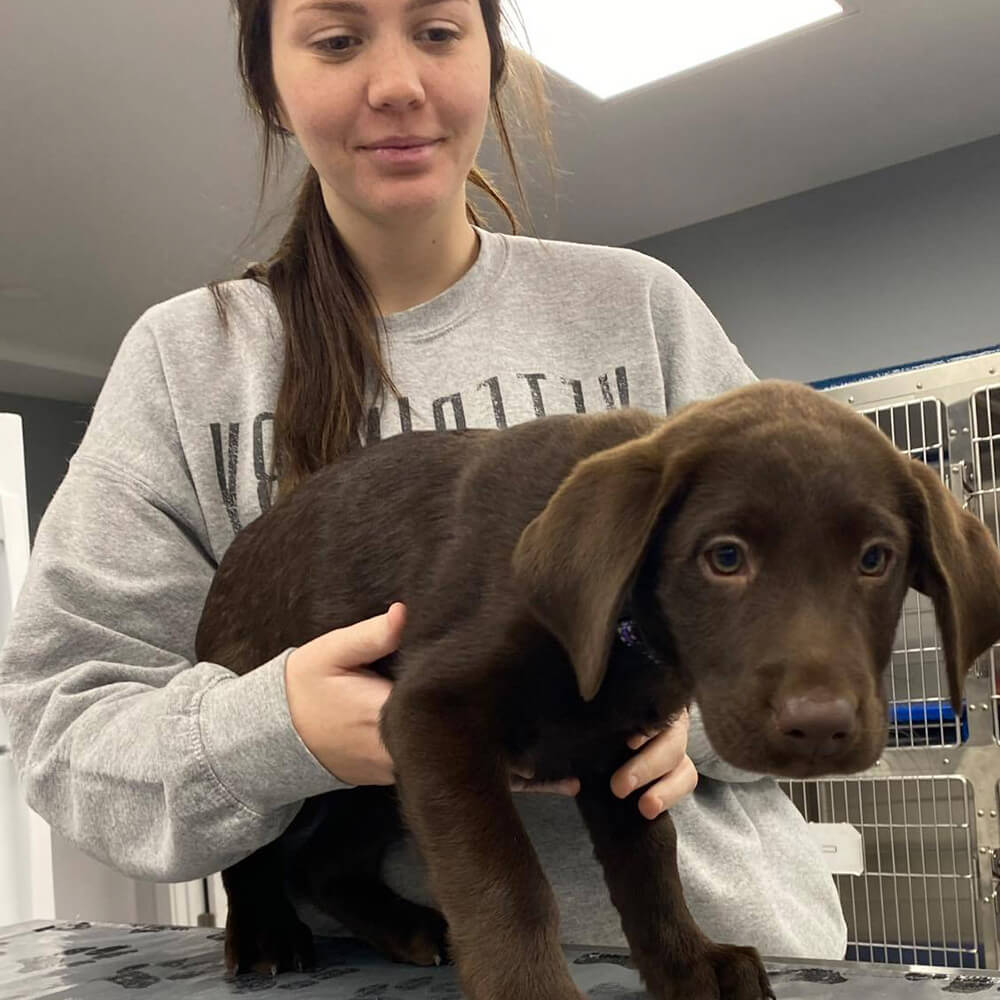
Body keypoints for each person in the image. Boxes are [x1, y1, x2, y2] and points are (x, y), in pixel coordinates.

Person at [0, 0, 846, 960]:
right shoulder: (187, 363)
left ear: (490, 60)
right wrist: (279, 729)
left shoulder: (638, 309)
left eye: (438, 31)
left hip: (712, 955)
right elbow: (65, 729)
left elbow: (788, 625)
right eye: (337, 38)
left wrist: (683, 717)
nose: (398, 83)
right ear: (269, 84)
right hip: (379, 975)